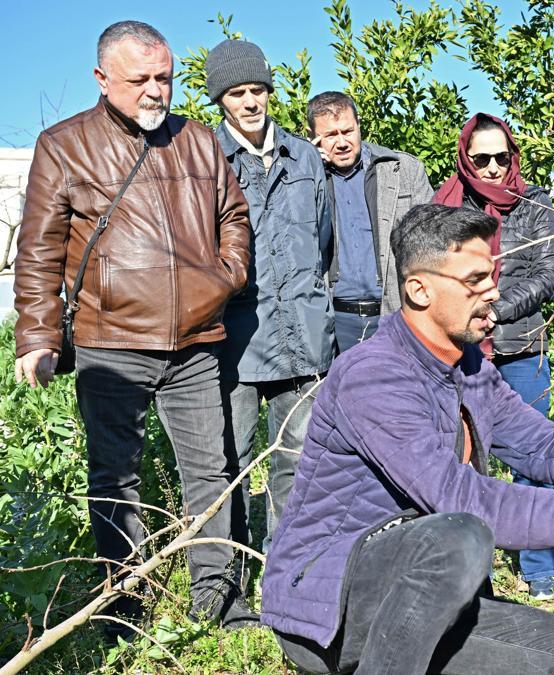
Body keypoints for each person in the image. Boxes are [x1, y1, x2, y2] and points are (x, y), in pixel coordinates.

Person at [260, 203, 554, 674]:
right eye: (474, 280)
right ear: (419, 290)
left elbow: (539, 446)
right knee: (460, 533)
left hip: (424, 596)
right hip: (329, 603)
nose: (494, 291)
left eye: (492, 275)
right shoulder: (374, 376)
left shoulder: (469, 366)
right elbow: (464, 501)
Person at [11, 21, 253, 637]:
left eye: (165, 78)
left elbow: (234, 216)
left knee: (210, 473)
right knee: (114, 478)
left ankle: (218, 602)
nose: (155, 91)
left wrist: (226, 276)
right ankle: (125, 608)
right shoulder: (63, 145)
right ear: (102, 79)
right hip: (108, 344)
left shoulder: (199, 141)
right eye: (140, 79)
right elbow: (39, 252)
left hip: (196, 344)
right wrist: (37, 338)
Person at [205, 39, 335, 550]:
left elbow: (323, 241)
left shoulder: (304, 156)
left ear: (269, 91)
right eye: (237, 93)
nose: (250, 102)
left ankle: (283, 571)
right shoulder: (209, 158)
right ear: (222, 100)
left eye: (257, 89)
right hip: (234, 340)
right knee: (228, 461)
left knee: (299, 460)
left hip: (304, 336)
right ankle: (227, 576)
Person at [433, 112, 554, 600]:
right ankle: (470, 564)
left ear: (513, 157)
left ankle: (541, 565)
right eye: (480, 158)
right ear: (465, 158)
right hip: (463, 351)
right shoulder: (447, 206)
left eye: (500, 157)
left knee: (535, 456)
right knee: (463, 458)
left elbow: (549, 274)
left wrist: (497, 309)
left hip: (522, 347)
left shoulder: (534, 205)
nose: (491, 168)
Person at [306, 91, 434, 350]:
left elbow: (433, 243)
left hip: (397, 314)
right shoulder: (304, 177)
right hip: (335, 320)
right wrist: (308, 168)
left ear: (359, 125)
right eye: (330, 135)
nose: (341, 142)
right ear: (313, 138)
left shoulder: (403, 170)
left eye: (348, 131)